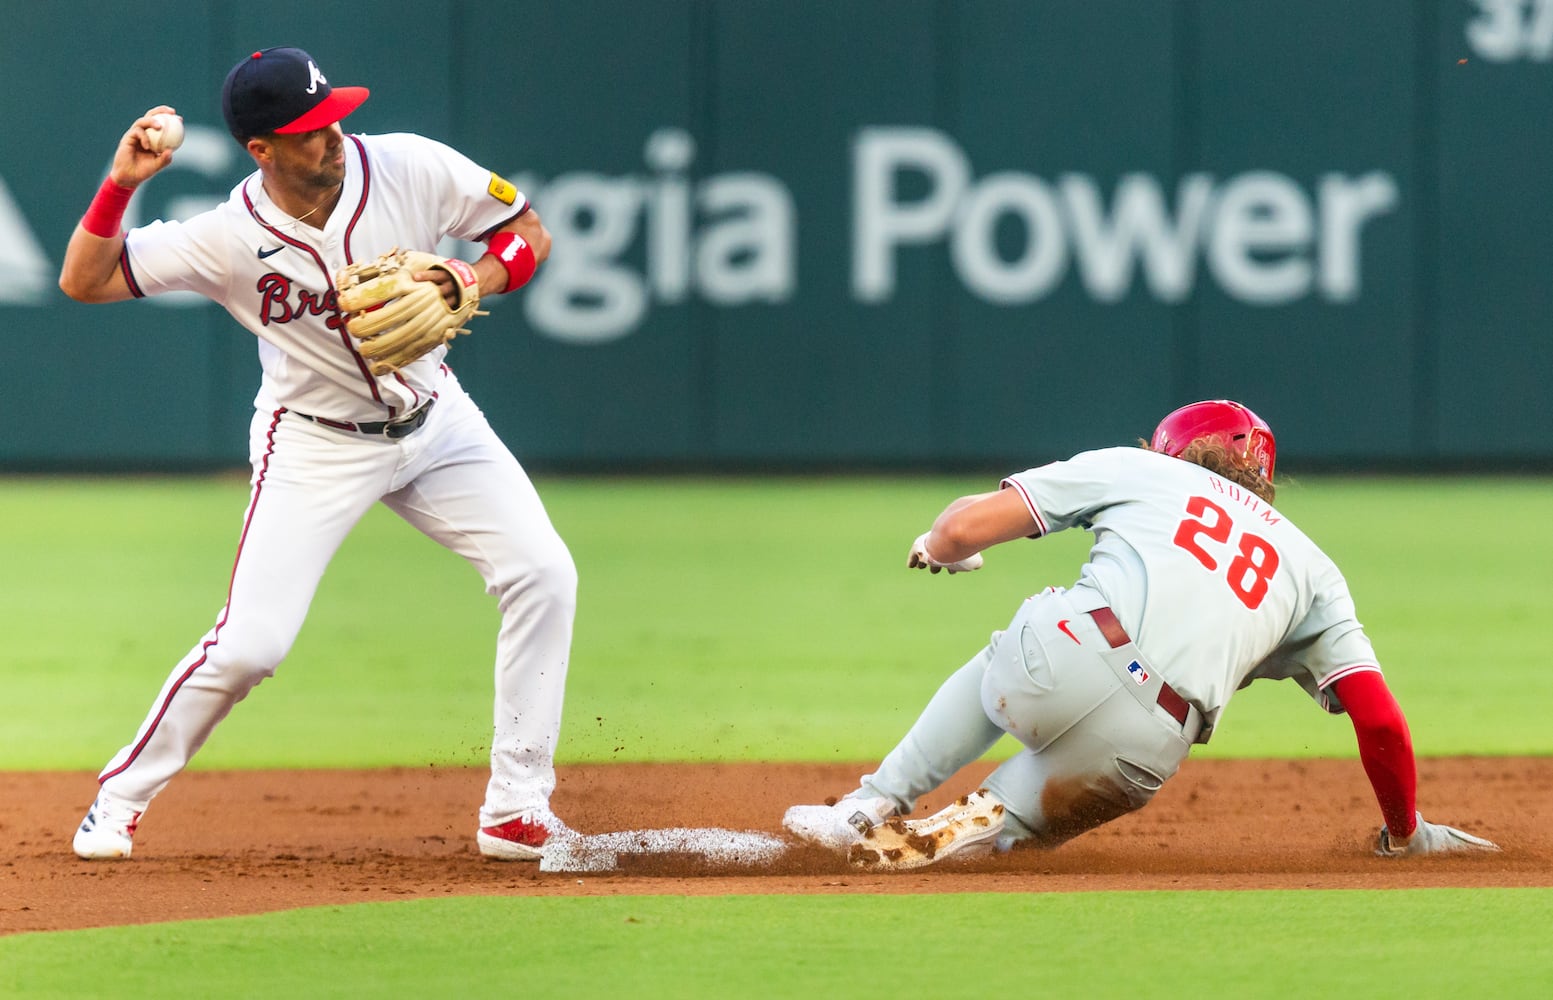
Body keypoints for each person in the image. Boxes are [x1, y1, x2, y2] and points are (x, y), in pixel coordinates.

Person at [59, 46, 576, 862]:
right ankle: (118, 798)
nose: (332, 136)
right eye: (307, 130)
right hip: (314, 443)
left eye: (333, 115)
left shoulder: (410, 166)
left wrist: (468, 280)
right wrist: (123, 183)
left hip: (438, 422)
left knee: (544, 575)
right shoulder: (227, 237)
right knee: (251, 646)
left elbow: (527, 233)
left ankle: (516, 806)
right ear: (260, 148)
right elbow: (84, 281)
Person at [783, 400, 1500, 868]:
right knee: (1005, 835)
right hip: (1144, 746)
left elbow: (965, 526)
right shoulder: (1315, 571)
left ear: (1174, 448)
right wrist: (1405, 832)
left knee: (1001, 660)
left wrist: (942, 547)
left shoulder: (1145, 470)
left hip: (1063, 654)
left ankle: (871, 802)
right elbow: (1380, 722)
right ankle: (973, 825)